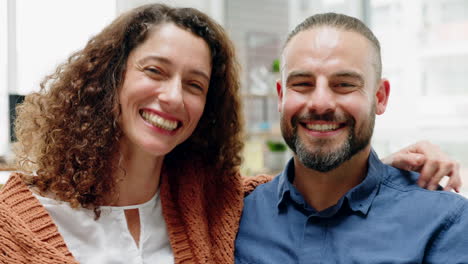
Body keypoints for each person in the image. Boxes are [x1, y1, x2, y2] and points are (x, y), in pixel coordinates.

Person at [0, 4, 461, 264]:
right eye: (155, 71)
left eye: (195, 85)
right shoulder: (13, 223)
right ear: (111, 77)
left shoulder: (213, 205)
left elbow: (328, 177)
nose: (173, 97)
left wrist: (392, 171)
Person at [235, 13, 468, 264]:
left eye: (344, 84)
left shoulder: (443, 222)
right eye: (302, 83)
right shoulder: (234, 216)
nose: (320, 103)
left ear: (380, 97)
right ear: (281, 97)